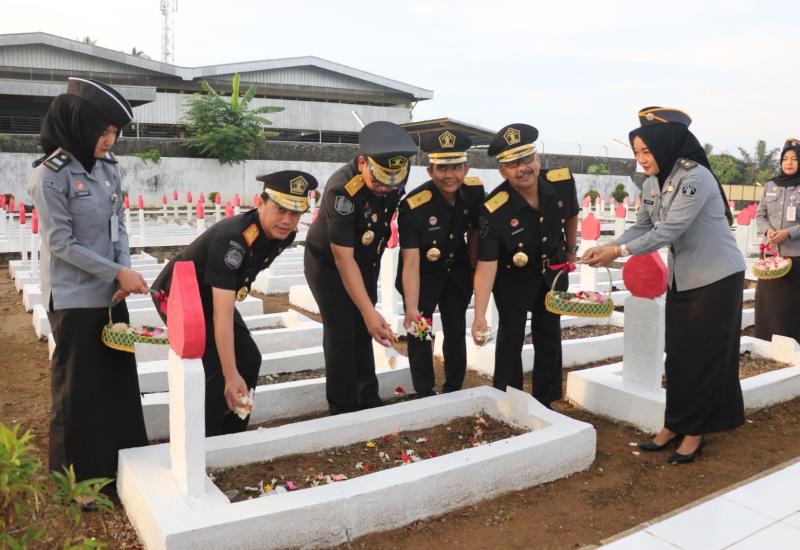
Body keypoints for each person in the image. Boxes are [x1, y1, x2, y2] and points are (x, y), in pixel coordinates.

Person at [582, 106, 746, 464]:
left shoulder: (695, 177)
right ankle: (675, 423)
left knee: (703, 357)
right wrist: (608, 245)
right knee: (679, 355)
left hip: (716, 278)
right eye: (637, 152)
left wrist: (618, 251)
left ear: (666, 144)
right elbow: (643, 225)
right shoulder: (653, 181)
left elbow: (669, 230)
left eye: (646, 151)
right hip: (683, 279)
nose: (641, 160)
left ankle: (695, 431)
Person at [28, 77, 150, 483]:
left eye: (115, 132)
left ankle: (121, 466)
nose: (110, 141)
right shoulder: (50, 176)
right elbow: (62, 243)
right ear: (80, 125)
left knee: (117, 381)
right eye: (104, 131)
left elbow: (119, 224)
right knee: (77, 390)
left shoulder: (108, 168)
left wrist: (123, 269)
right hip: (74, 297)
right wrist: (118, 272)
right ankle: (76, 477)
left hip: (111, 294)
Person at [151, 171, 318, 436]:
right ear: (260, 203)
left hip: (216, 292)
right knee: (217, 368)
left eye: (295, 213)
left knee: (250, 359)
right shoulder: (234, 240)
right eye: (280, 210)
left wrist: (236, 372)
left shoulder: (283, 235)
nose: (287, 220)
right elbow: (222, 314)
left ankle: (233, 432)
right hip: (179, 295)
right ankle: (203, 441)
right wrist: (231, 375)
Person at [304, 121, 417, 414]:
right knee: (342, 328)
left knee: (362, 329)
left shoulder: (393, 177)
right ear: (364, 162)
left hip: (366, 261)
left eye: (394, 182)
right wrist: (368, 311)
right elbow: (343, 258)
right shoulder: (341, 191)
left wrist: (368, 312)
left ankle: (367, 396)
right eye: (379, 180)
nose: (387, 189)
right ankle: (342, 405)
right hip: (328, 265)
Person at [470, 123, 579, 408]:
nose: (522, 168)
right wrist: (479, 314)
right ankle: (508, 399)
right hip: (513, 280)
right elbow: (487, 264)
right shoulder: (493, 209)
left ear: (537, 158)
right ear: (502, 171)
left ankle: (546, 400)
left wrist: (570, 250)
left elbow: (571, 215)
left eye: (526, 158)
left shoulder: (561, 182)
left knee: (549, 334)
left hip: (552, 275)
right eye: (512, 163)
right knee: (511, 337)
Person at [396, 129, 484, 396]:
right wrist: (411, 307)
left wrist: (472, 270)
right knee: (420, 332)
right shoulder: (414, 205)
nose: (450, 175)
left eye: (456, 167)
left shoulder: (474, 192)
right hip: (422, 276)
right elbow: (410, 260)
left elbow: (476, 233)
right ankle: (423, 389)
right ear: (430, 170)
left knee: (456, 329)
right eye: (442, 167)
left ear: (466, 168)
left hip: (456, 274)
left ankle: (454, 386)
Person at [754, 138, 800, 343]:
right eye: (785, 158)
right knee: (768, 305)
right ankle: (766, 345)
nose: (788, 163)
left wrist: (788, 233)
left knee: (791, 307)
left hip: (796, 258)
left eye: (794, 159)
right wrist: (769, 231)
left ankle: (793, 348)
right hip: (772, 260)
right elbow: (760, 215)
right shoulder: (771, 185)